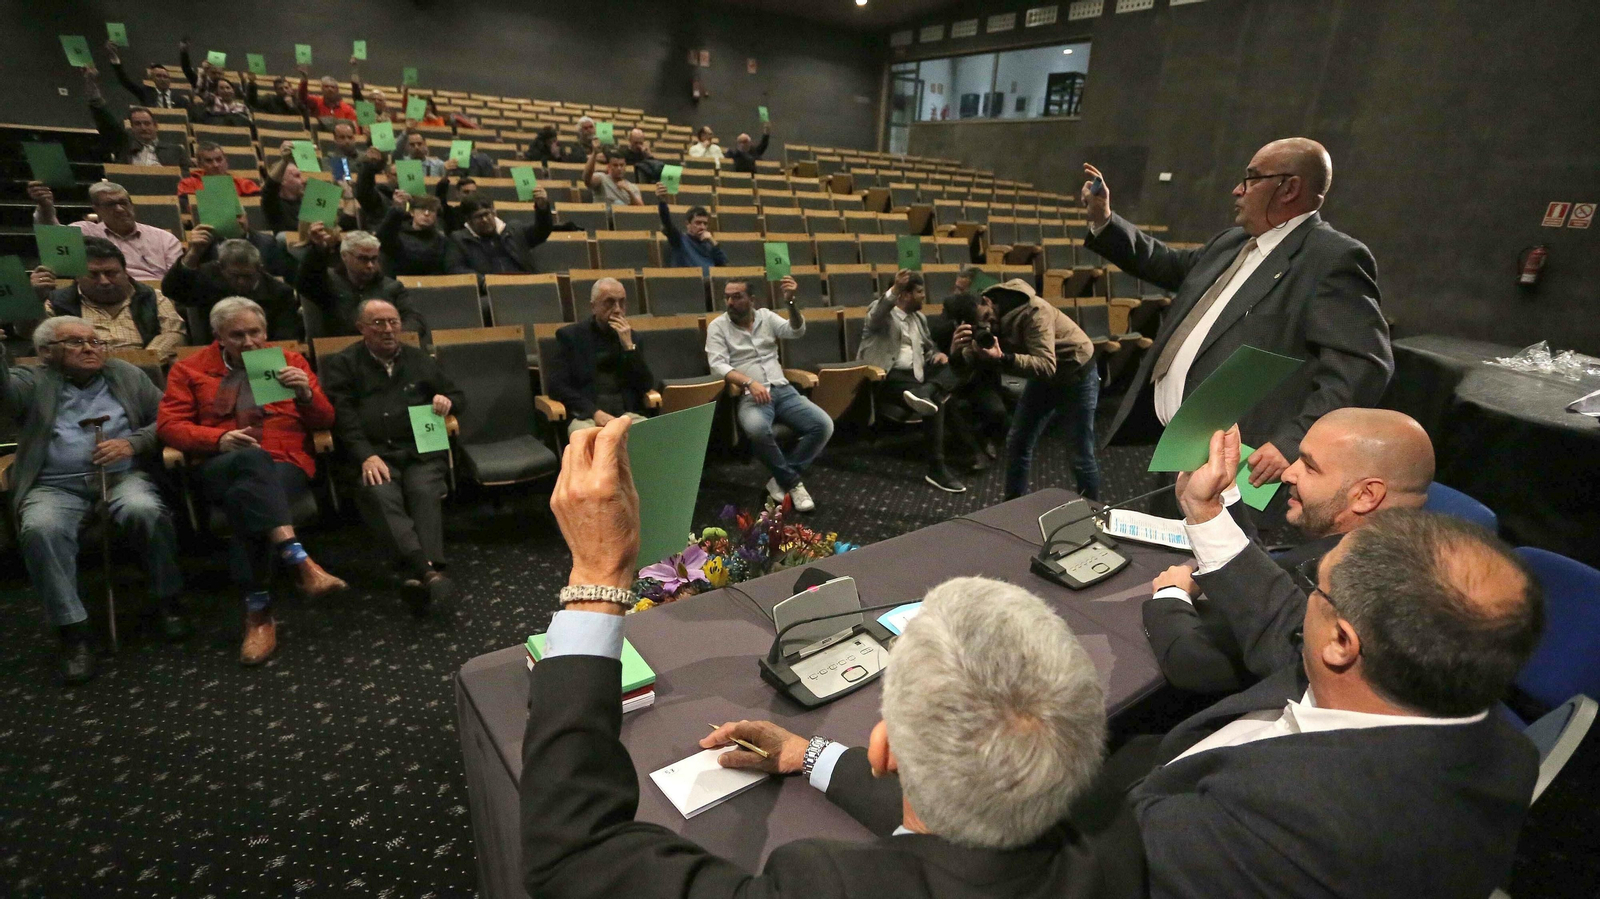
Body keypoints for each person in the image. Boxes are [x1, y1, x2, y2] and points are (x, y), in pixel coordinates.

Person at [519, 415, 1141, 899]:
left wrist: (598, 577)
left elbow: (572, 853)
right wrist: (805, 754)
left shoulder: (827, 884)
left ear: (886, 752)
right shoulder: (1126, 852)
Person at [1118, 427, 1542, 897]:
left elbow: (1119, 861)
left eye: (1316, 590)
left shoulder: (1279, 821)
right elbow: (1281, 620)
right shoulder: (1501, 745)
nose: (1301, 607)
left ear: (1342, 642)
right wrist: (1205, 512)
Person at [1080, 140, 1393, 495]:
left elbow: (1362, 367)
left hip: (1246, 466)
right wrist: (1105, 221)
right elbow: (1166, 264)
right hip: (1182, 447)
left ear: (1289, 188)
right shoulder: (1233, 242)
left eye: (1252, 179)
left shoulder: (1331, 258)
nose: (1237, 189)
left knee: (1226, 549)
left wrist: (1295, 440)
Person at [1144, 409, 1435, 694]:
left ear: (1366, 495)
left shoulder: (1342, 591)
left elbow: (1197, 662)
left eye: (1310, 467)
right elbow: (1271, 578)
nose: (1288, 474)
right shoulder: (1404, 548)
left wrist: (1171, 594)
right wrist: (1225, 493)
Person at [157, 298, 346, 666]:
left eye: (255, 332)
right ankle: (300, 561)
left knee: (246, 496)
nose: (249, 342)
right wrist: (217, 439)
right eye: (237, 335)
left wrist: (305, 394)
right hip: (219, 464)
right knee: (248, 459)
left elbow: (325, 419)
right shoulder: (189, 370)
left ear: (266, 331)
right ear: (218, 337)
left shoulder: (289, 362)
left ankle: (258, 614)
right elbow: (169, 426)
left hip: (284, 462)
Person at [2, 318, 188, 684]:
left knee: (145, 510)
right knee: (41, 529)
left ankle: (168, 601)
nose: (90, 349)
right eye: (75, 343)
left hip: (122, 477)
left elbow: (167, 418)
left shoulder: (126, 375)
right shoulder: (32, 381)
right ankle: (73, 632)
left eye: (95, 341)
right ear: (45, 352)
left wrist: (131, 443)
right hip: (54, 484)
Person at [321, 299, 463, 615]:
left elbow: (458, 396)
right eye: (378, 323)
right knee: (379, 491)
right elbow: (343, 420)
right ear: (361, 328)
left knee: (424, 490)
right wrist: (365, 456)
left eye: (394, 322)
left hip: (420, 449)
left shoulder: (419, 359)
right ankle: (429, 572)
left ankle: (418, 574)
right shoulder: (343, 364)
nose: (388, 329)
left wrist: (446, 400)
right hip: (376, 453)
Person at [954, 279, 1097, 500]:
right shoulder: (986, 323)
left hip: (1076, 374)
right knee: (1018, 442)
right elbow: (966, 366)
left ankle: (1094, 514)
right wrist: (958, 351)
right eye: (980, 324)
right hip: (1044, 379)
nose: (987, 324)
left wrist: (1003, 357)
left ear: (987, 301)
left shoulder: (1034, 311)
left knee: (1080, 455)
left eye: (985, 317)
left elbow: (1046, 365)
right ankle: (1012, 506)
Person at [706, 277, 832, 512]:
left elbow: (796, 331)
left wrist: (791, 302)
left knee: (823, 425)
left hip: (783, 390)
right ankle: (794, 484)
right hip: (750, 396)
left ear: (751, 300)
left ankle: (781, 479)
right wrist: (749, 382)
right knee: (756, 429)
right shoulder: (718, 326)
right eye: (727, 297)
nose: (730, 302)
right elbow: (718, 365)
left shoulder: (765, 316)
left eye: (737, 297)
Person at [858, 271, 966, 493]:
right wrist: (894, 289)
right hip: (886, 379)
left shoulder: (919, 319)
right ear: (905, 295)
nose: (924, 297)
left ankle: (927, 391)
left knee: (955, 367)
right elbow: (876, 316)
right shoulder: (881, 314)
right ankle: (937, 468)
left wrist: (937, 354)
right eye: (919, 292)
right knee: (937, 401)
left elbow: (927, 347)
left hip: (916, 379)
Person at [31, 238, 186, 363]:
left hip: (145, 375)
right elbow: (37, 337)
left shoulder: (152, 297)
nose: (104, 281)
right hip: (79, 376)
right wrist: (35, 299)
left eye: (111, 273)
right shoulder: (58, 301)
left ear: (125, 272)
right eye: (93, 275)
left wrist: (140, 362)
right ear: (77, 277)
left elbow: (174, 334)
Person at [546, 279, 655, 436]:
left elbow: (645, 385)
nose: (617, 309)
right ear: (593, 307)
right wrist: (594, 412)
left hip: (625, 415)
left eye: (622, 303)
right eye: (609, 303)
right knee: (587, 437)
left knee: (652, 433)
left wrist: (629, 348)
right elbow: (556, 387)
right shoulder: (571, 337)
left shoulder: (633, 339)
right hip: (587, 417)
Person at [29, 181, 182, 282]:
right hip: (101, 295)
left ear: (132, 205)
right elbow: (51, 236)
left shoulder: (164, 239)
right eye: (110, 204)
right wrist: (45, 207)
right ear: (97, 210)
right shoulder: (84, 231)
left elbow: (178, 281)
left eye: (123, 203)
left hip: (155, 297)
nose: (119, 209)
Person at [163, 231, 301, 342]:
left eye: (247, 276)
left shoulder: (280, 292)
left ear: (260, 269)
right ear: (221, 268)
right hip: (214, 354)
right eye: (234, 276)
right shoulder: (207, 278)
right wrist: (193, 254)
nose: (241, 282)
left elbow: (285, 338)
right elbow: (172, 291)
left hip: (262, 355)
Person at [296, 226, 426, 339]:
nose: (370, 265)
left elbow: (415, 320)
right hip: (342, 354)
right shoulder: (328, 283)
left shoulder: (392, 287)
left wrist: (391, 335)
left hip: (384, 350)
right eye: (363, 259)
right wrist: (317, 250)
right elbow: (306, 283)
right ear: (345, 256)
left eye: (374, 259)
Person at [938, 292, 1007, 471]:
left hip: (982, 382)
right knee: (948, 405)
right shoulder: (946, 332)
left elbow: (999, 363)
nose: (982, 324)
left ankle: (985, 438)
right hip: (956, 383)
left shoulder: (995, 327)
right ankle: (974, 450)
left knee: (997, 412)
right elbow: (949, 370)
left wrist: (989, 349)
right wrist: (954, 352)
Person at [80, 65, 192, 169]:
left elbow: (189, 179)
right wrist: (92, 88)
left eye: (147, 123)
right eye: (137, 124)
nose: (143, 127)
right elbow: (106, 122)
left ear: (155, 126)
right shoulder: (123, 146)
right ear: (132, 128)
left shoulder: (176, 150)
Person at [450, 196, 554, 278]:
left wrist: (542, 209)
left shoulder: (514, 229)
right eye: (479, 217)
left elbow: (542, 231)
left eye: (487, 214)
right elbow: (456, 268)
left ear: (494, 212)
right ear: (469, 220)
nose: (485, 220)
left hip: (524, 285)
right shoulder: (459, 239)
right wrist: (483, 282)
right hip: (489, 293)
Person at [375, 191, 467, 277]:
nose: (426, 214)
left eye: (431, 210)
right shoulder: (398, 235)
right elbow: (382, 239)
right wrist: (396, 209)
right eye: (422, 209)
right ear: (412, 212)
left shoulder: (442, 240)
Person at [654, 183, 726, 272]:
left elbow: (723, 264)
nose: (702, 227)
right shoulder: (679, 240)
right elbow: (667, 222)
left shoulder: (708, 244)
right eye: (698, 223)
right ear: (688, 224)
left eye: (705, 224)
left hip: (710, 284)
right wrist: (662, 202)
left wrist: (713, 242)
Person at [103, 40, 181, 109]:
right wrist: (115, 59)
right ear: (152, 79)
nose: (162, 79)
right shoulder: (146, 93)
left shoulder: (180, 99)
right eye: (158, 76)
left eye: (165, 77)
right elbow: (125, 81)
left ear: (170, 80)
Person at [176, 142, 261, 197]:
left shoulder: (243, 184)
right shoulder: (188, 184)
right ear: (199, 164)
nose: (215, 165)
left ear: (226, 160)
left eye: (219, 159)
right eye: (209, 161)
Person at [261, 141, 308, 232]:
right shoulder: (272, 204)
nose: (303, 181)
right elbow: (270, 187)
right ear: (282, 181)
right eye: (296, 176)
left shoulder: (306, 203)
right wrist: (285, 161)